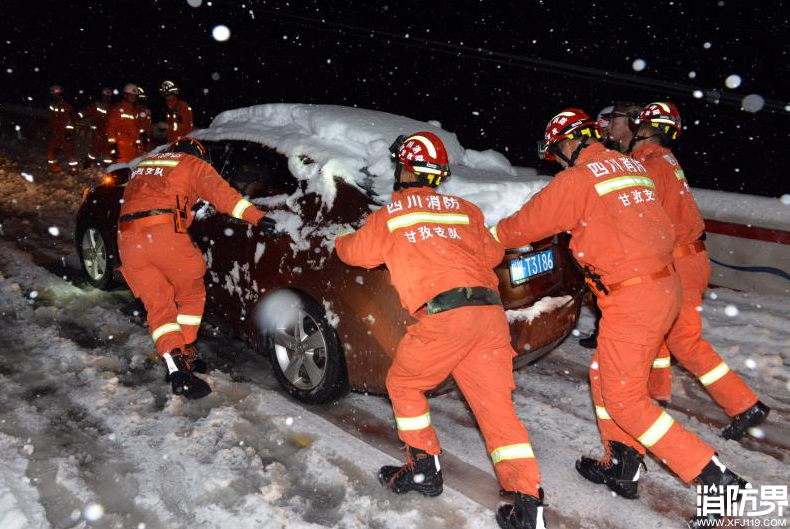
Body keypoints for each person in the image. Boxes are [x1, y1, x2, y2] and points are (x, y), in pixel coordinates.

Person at [491, 109, 748, 527]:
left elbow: (521, 228)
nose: (556, 159)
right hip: (663, 286)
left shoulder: (577, 180)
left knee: (626, 401)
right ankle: (624, 463)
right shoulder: (630, 166)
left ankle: (714, 478)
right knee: (605, 378)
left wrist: (484, 239)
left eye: (556, 151)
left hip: (634, 298)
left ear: (568, 142)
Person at [335, 132, 546, 529]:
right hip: (487, 317)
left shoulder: (391, 217)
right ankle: (528, 502)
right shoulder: (465, 210)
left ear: (405, 171)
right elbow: (493, 253)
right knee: (497, 411)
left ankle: (423, 470)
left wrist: (341, 238)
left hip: (445, 319)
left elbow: (354, 253)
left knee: (404, 384)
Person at [631, 101, 769, 438]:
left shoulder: (647, 165)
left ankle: (745, 404)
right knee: (659, 327)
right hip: (690, 258)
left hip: (678, 261)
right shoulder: (666, 160)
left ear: (645, 129)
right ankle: (656, 392)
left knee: (684, 341)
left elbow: (638, 218)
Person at [117, 136, 277, 399]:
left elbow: (148, 197)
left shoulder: (146, 164)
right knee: (191, 293)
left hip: (127, 240)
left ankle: (176, 367)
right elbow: (223, 196)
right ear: (198, 155)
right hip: (163, 235)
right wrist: (257, 217)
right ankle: (186, 352)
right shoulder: (192, 164)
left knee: (159, 306)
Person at [45, 85, 78, 174]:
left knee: (69, 154)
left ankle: (74, 170)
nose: (55, 96)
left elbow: (71, 120)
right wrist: (49, 130)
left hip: (65, 134)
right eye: (54, 94)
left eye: (57, 94)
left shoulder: (67, 106)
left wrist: (69, 132)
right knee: (49, 152)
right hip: (54, 134)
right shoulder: (52, 105)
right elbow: (51, 119)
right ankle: (55, 168)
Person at [107, 84, 144, 163]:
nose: (133, 98)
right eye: (131, 96)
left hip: (135, 148)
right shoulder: (118, 109)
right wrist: (112, 145)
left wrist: (143, 133)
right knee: (122, 170)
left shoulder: (136, 110)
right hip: (122, 149)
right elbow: (111, 128)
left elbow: (138, 126)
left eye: (135, 96)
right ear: (125, 96)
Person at [78, 87, 113, 167]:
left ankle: (108, 166)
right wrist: (77, 117)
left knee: (107, 150)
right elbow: (85, 112)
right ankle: (88, 163)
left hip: (108, 133)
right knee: (95, 149)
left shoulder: (112, 108)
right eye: (105, 96)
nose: (106, 98)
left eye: (108, 97)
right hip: (97, 131)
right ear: (102, 96)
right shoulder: (96, 105)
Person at [136, 86, 154, 152]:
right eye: (140, 98)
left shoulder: (147, 110)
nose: (142, 101)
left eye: (144, 98)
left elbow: (149, 126)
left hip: (147, 141)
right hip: (137, 142)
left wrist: (150, 137)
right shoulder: (134, 110)